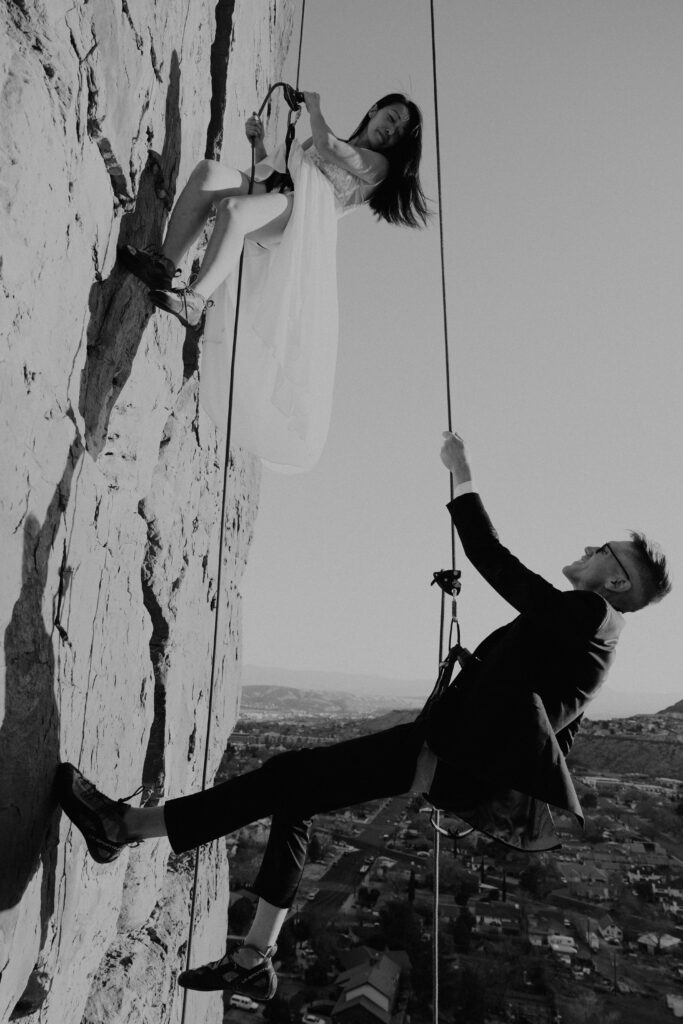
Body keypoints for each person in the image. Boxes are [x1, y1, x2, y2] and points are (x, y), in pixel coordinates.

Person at [56, 431, 671, 1001]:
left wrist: (463, 475)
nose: (589, 547)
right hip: (445, 751)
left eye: (603, 549)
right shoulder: (594, 636)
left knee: (284, 777)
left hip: (445, 756)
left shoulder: (592, 615)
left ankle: (123, 828)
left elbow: (498, 563)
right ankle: (255, 955)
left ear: (615, 580)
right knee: (293, 792)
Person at [118, 92, 427, 471]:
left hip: (302, 220)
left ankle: (196, 299)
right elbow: (278, 172)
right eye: (391, 118)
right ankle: (164, 264)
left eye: (399, 132)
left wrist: (315, 106)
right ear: (375, 110)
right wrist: (260, 143)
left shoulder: (375, 166)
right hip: (278, 196)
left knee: (234, 210)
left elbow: (327, 148)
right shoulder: (323, 140)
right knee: (208, 173)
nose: (391, 130)